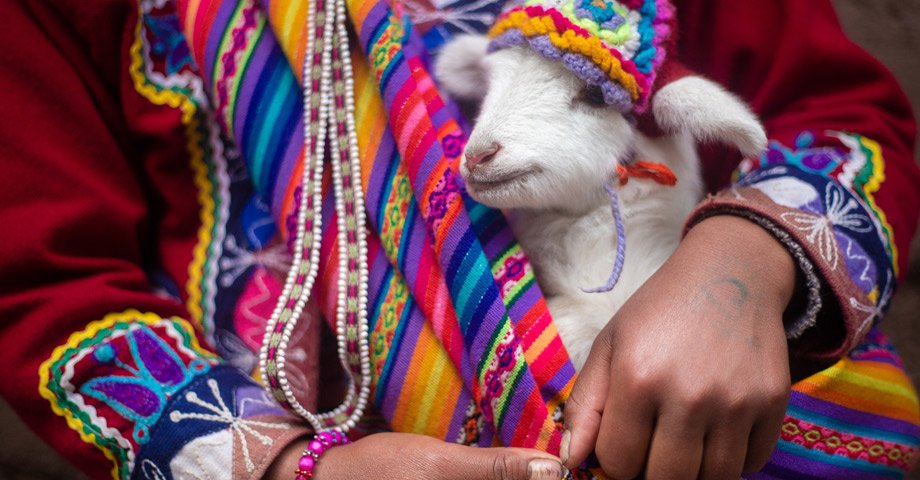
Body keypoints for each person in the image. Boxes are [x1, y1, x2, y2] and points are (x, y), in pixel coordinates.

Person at [0, 0, 917, 480]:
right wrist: (282, 468)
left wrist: (744, 266)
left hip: (706, 429)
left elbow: (846, 120)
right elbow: (45, 280)